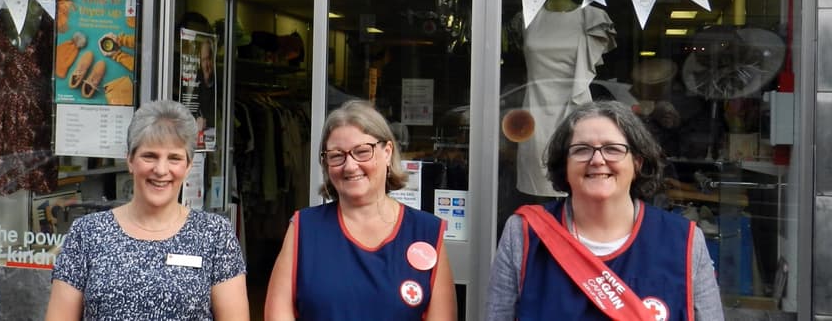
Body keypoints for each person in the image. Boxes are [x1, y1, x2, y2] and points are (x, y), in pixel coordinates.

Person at [485, 100, 724, 321]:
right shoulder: (524, 234)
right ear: (564, 164)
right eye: (581, 149)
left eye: (613, 148)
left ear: (637, 163)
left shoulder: (684, 241)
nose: (597, 160)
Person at [45, 99, 248, 321]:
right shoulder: (87, 233)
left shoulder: (215, 235)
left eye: (174, 158)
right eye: (149, 156)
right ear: (130, 160)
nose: (161, 170)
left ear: (189, 166)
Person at [264, 99, 456, 321]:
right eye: (337, 155)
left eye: (362, 152)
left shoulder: (427, 233)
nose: (350, 165)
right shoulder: (304, 229)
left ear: (387, 152)